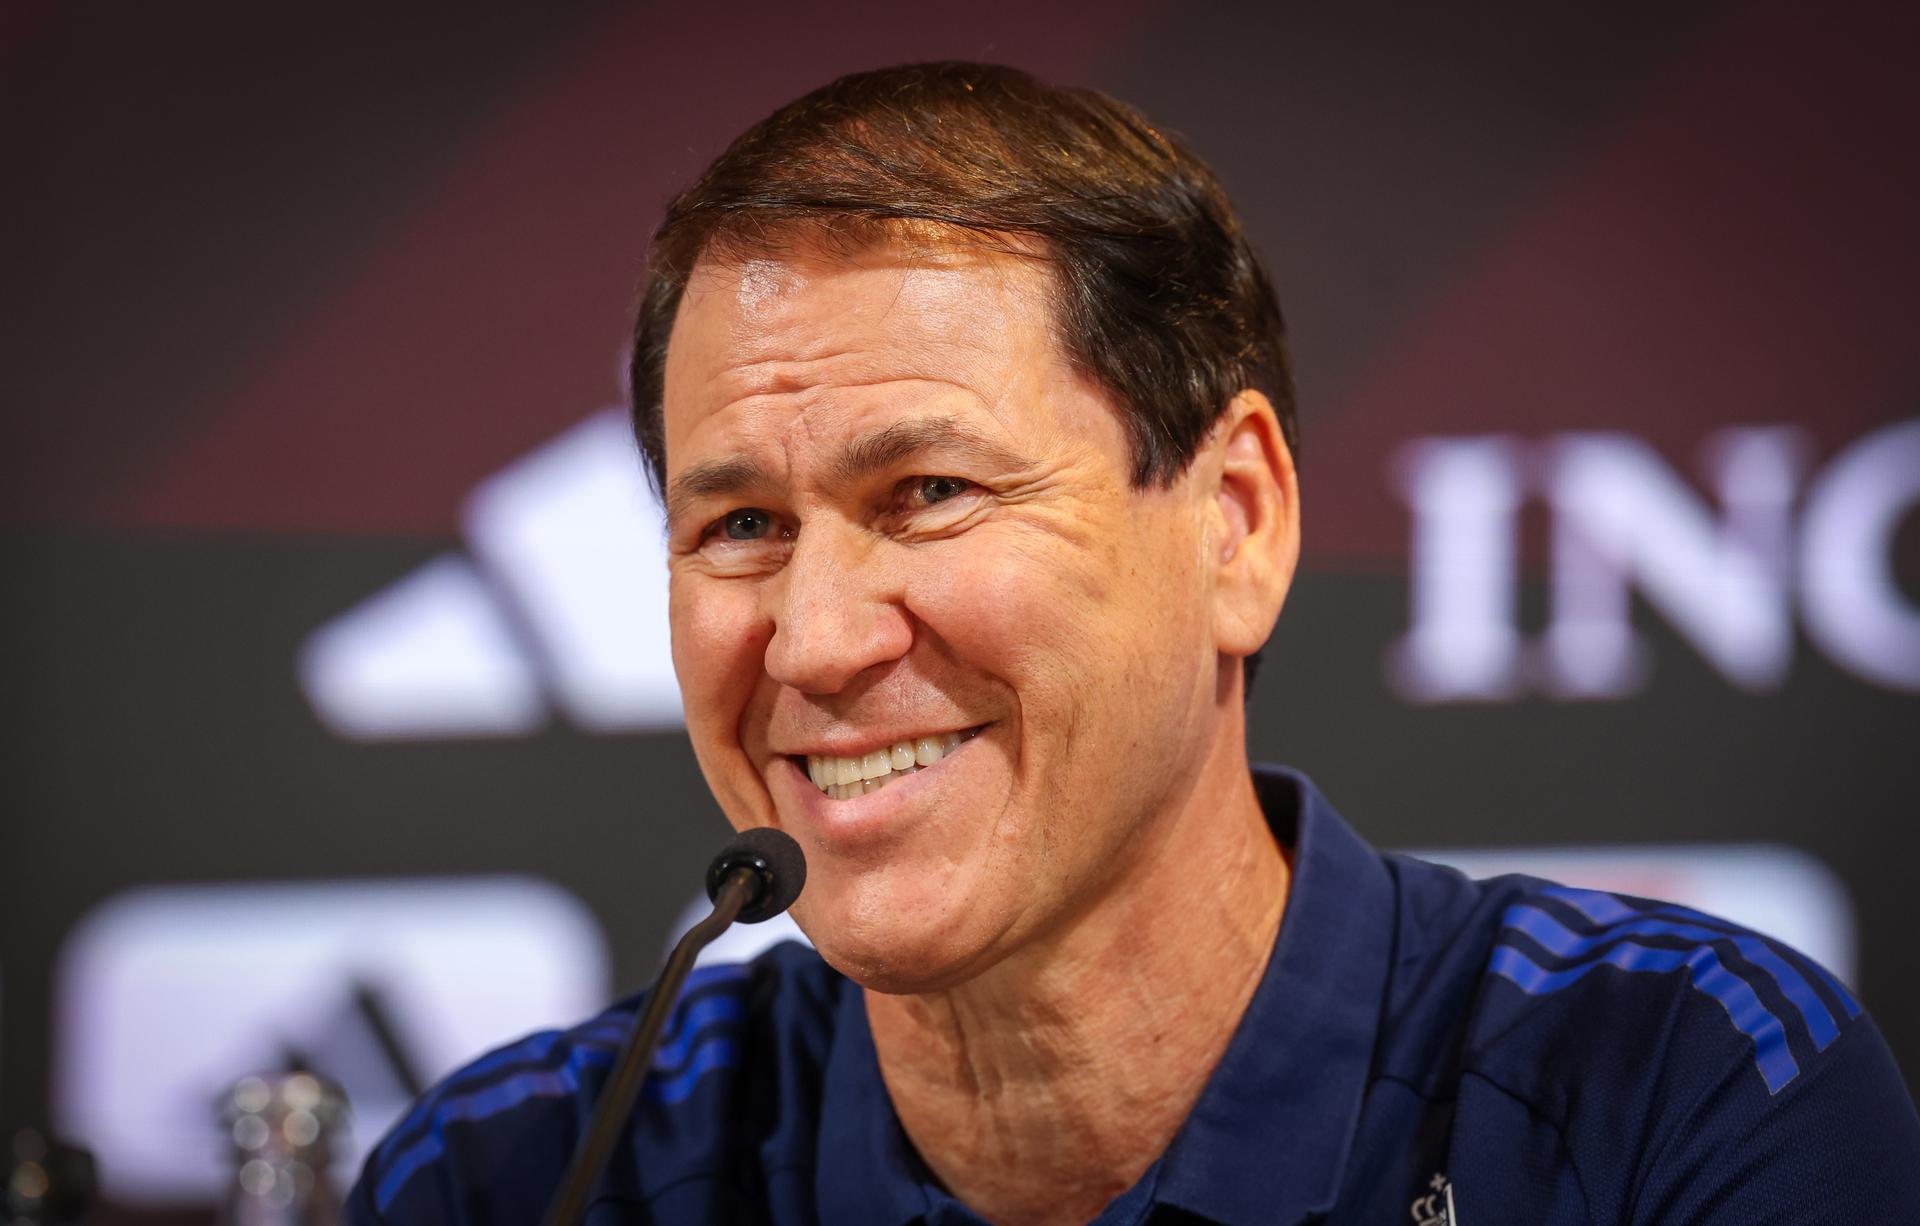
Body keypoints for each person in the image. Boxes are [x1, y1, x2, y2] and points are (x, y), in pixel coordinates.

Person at [348, 63, 1920, 1225]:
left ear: (1235, 520)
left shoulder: (1675, 1100)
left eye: (931, 492)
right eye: (742, 525)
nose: (815, 641)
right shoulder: (522, 1179)